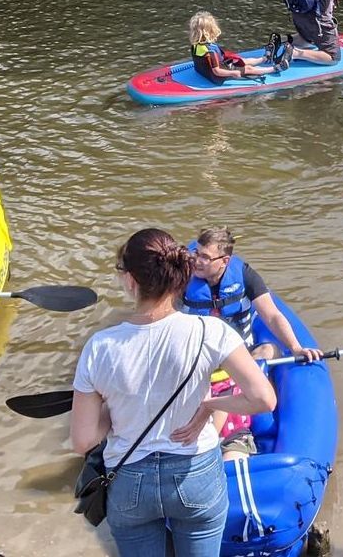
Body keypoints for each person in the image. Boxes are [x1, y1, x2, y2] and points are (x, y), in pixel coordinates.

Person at [71, 228, 276, 557]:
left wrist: (111, 408)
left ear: (131, 281)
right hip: (196, 474)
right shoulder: (211, 331)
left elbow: (83, 441)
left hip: (129, 478)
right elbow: (263, 398)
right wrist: (209, 405)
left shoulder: (100, 347)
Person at [183, 227, 322, 364]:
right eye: (196, 253)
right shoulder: (181, 276)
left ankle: (244, 380)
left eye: (205, 257)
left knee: (270, 350)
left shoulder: (244, 274)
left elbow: (272, 316)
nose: (197, 260)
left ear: (224, 261)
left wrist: (296, 348)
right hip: (197, 354)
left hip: (239, 351)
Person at [189, 11, 292, 86]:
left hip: (207, 71)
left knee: (243, 61)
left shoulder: (195, 46)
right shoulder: (210, 51)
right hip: (217, 76)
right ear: (211, 31)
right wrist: (233, 73)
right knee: (248, 68)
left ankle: (265, 58)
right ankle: (274, 69)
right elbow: (217, 71)